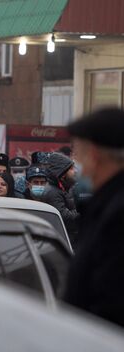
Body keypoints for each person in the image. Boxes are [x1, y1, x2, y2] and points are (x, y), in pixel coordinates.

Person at [63, 107, 124, 328]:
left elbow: (110, 301)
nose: (78, 165)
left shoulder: (117, 214)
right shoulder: (104, 203)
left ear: (95, 155)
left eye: (78, 153)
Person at [41, 152, 79, 244]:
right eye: (71, 169)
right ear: (62, 175)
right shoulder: (52, 192)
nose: (75, 171)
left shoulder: (66, 188)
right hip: (63, 243)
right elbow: (66, 219)